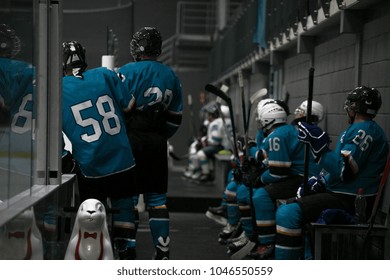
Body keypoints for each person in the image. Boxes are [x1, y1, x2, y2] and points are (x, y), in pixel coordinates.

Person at [274, 86, 388, 260]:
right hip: (343, 194)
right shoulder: (360, 129)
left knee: (287, 213)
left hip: (352, 200)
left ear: (355, 107)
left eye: (350, 104)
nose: (347, 108)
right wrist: (322, 181)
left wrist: (320, 148)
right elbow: (339, 168)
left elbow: (345, 171)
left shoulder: (363, 131)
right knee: (292, 204)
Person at [61, 41, 137, 260]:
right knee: (123, 204)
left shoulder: (57, 88)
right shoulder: (105, 74)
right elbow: (129, 107)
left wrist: (65, 158)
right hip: (122, 156)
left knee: (93, 213)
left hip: (90, 163)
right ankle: (126, 251)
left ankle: (94, 254)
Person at [228, 99, 325, 259]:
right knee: (251, 192)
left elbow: (278, 172)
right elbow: (268, 157)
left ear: (268, 120)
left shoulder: (278, 135)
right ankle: (254, 236)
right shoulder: (285, 131)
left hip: (301, 178)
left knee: (260, 195)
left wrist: (259, 178)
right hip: (302, 176)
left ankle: (266, 242)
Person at [118, 26, 183, 260]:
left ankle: (127, 250)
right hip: (156, 142)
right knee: (157, 199)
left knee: (130, 198)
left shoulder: (125, 71)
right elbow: (176, 118)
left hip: (130, 140)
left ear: (136, 47)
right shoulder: (171, 75)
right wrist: (160, 136)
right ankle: (163, 251)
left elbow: (115, 109)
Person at [185, 103, 231, 182]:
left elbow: (216, 141)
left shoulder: (216, 123)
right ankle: (202, 171)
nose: (208, 116)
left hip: (222, 146)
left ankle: (206, 174)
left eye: (209, 114)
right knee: (198, 150)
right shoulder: (225, 121)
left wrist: (205, 142)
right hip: (226, 145)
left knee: (200, 153)